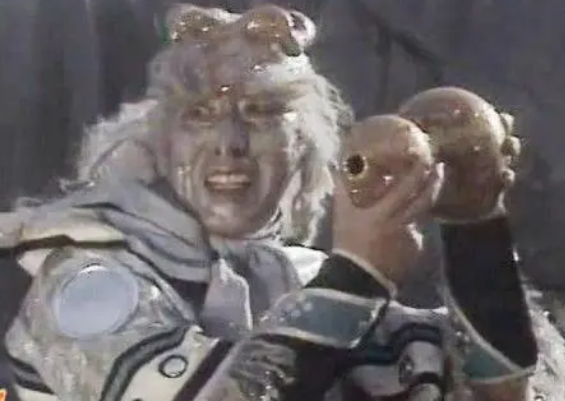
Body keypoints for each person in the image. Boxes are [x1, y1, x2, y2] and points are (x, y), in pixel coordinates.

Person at [0, 4, 562, 401]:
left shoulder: (303, 278)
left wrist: (474, 230)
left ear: (305, 149)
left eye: (262, 114)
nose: (230, 143)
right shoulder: (87, 281)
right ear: (159, 145)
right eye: (200, 116)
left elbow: (497, 392)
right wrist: (359, 274)